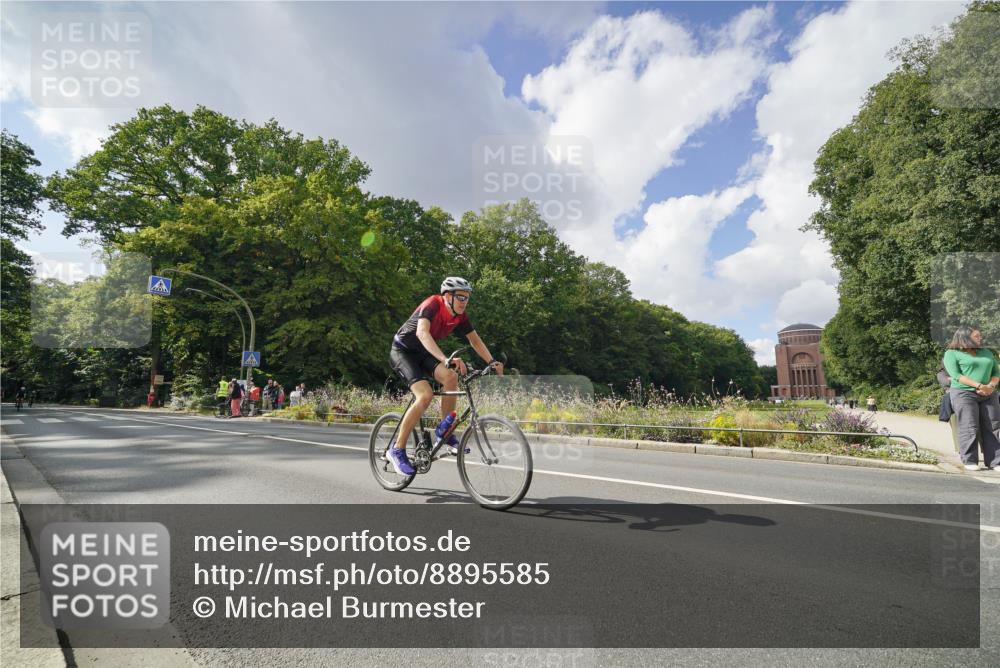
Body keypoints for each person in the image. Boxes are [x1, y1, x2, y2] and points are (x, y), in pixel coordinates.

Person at [386, 277, 503, 475]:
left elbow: (475, 340)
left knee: (450, 377)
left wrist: (491, 361)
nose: (464, 302)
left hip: (423, 353)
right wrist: (445, 359)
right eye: (461, 297)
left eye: (467, 298)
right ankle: (397, 449)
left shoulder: (460, 316)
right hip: (403, 351)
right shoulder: (432, 303)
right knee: (425, 395)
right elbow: (422, 333)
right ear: (448, 296)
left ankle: (444, 432)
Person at [943, 326, 1000, 471]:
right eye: (976, 336)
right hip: (964, 393)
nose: (980, 338)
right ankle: (969, 460)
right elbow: (956, 375)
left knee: (993, 426)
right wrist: (979, 385)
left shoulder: (986, 352)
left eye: (980, 336)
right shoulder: (951, 353)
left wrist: (990, 386)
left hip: (988, 393)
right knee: (969, 426)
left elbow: (996, 371)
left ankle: (995, 462)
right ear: (964, 337)